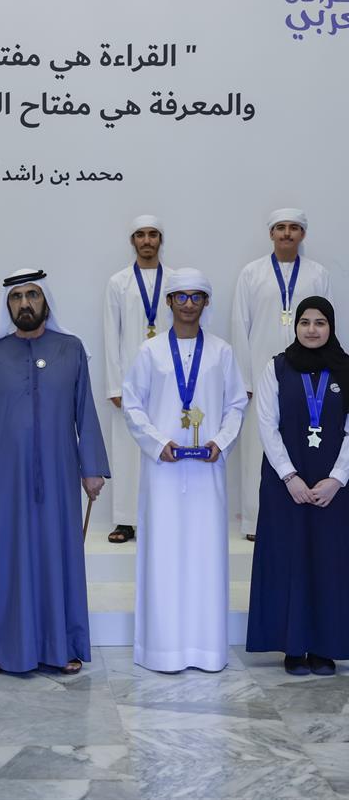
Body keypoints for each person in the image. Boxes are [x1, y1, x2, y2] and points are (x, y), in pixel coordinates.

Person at [0, 268, 110, 674]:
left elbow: (85, 412)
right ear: (7, 305)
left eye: (33, 296)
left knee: (58, 556)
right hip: (4, 478)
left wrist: (91, 468)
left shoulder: (71, 349)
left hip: (60, 475)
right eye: (17, 297)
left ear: (46, 302)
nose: (25, 304)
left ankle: (64, 646)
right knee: (5, 560)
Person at [123, 269, 247, 672]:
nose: (189, 304)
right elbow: (133, 404)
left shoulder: (223, 352)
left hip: (207, 473)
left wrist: (221, 442)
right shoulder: (151, 352)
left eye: (197, 297)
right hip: (163, 473)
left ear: (207, 303)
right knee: (163, 554)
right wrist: (159, 444)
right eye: (181, 297)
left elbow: (235, 406)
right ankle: (161, 649)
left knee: (205, 556)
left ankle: (207, 650)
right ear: (169, 302)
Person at [246, 297, 349, 676]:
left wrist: (337, 479)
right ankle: (292, 646)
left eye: (320, 322)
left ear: (331, 326)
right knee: (288, 559)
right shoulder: (276, 367)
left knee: (329, 560)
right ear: (295, 327)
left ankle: (325, 647)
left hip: (333, 485)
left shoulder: (346, 369)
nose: (311, 329)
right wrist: (289, 476)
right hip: (284, 482)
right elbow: (266, 426)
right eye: (304, 321)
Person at [231, 209, 332, 540]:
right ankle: (254, 520)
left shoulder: (317, 273)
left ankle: (302, 510)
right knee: (257, 444)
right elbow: (239, 326)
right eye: (281, 228)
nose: (287, 233)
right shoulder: (251, 273)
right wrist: (244, 380)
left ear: (303, 234)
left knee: (305, 441)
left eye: (294, 228)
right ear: (271, 233)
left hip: (307, 375)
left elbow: (326, 324)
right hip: (262, 371)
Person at [104, 214, 174, 544]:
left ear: (161, 240)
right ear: (132, 241)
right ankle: (126, 520)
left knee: (165, 444)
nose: (147, 241)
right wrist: (115, 384)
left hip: (170, 380)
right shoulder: (119, 282)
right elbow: (110, 334)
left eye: (152, 235)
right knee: (127, 450)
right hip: (130, 381)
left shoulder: (174, 280)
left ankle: (161, 514)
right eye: (140, 235)